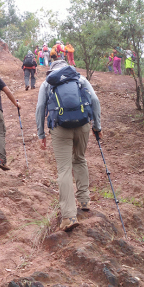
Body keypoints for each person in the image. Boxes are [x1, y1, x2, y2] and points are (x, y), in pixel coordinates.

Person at [35, 60, 102, 231]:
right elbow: (94, 99)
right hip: (83, 125)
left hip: (60, 127)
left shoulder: (48, 82)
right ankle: (85, 200)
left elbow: (41, 107)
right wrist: (97, 127)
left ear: (52, 70)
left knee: (64, 169)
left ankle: (69, 216)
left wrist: (41, 133)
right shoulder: (80, 78)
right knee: (79, 159)